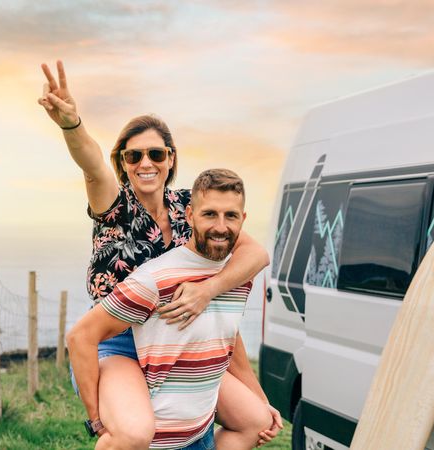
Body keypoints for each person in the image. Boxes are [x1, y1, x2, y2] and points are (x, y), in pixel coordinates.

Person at [38, 60, 281, 448]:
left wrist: (209, 289)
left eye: (155, 154)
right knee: (135, 433)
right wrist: (71, 124)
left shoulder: (191, 206)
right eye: (133, 156)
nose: (145, 163)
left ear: (170, 159)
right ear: (123, 163)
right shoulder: (114, 205)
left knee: (251, 419)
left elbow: (255, 254)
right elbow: (91, 163)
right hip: (120, 344)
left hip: (178, 339)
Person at [68, 169, 277, 449]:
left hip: (196, 433)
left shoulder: (238, 276)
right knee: (130, 434)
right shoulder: (154, 278)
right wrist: (97, 421)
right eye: (210, 214)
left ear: (243, 220)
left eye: (231, 216)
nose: (220, 226)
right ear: (190, 216)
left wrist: (259, 400)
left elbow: (226, 339)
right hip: (152, 441)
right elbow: (80, 336)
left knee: (257, 421)